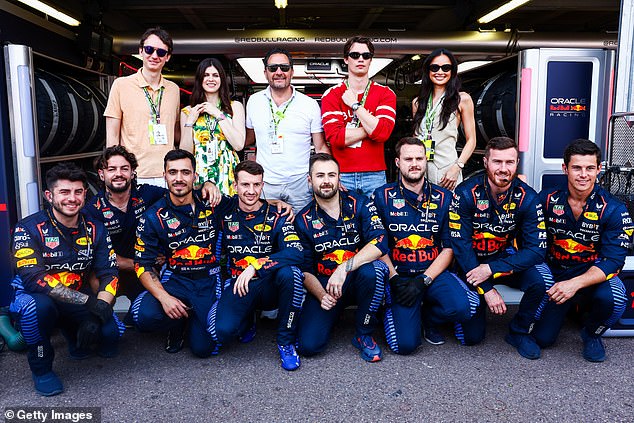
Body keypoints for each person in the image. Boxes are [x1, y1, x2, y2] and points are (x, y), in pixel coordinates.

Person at [9, 163, 120, 396]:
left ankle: (72, 333)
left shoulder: (96, 228)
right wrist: (91, 304)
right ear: (49, 196)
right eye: (64, 192)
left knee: (110, 333)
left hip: (77, 298)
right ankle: (41, 367)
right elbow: (34, 278)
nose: (72, 198)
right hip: (37, 300)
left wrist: (99, 309)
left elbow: (109, 273)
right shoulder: (27, 228)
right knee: (35, 309)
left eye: (78, 192)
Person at [374, 137, 480, 354]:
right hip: (399, 277)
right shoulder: (381, 196)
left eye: (419, 158)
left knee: (466, 307)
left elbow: (449, 247)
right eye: (408, 158)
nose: (414, 163)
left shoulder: (445, 197)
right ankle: (394, 310)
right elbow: (377, 244)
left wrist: (424, 281)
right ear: (397, 162)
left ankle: (429, 319)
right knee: (404, 346)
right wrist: (393, 279)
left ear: (426, 160)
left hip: (433, 274)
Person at [450, 137, 551, 359]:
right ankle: (470, 306)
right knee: (472, 338)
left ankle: (519, 331)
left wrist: (491, 268)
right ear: (485, 162)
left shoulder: (528, 197)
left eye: (509, 162)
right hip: (470, 266)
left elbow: (536, 250)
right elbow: (461, 247)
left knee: (542, 281)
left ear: (517, 164)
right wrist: (486, 288)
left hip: (503, 261)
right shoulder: (465, 193)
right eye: (497, 162)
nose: (503, 169)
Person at [532, 139, 632, 362]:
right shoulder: (546, 199)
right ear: (565, 169)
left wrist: (574, 284)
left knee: (615, 297)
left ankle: (591, 333)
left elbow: (613, 261)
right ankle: (570, 309)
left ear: (598, 169)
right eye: (576, 168)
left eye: (589, 168)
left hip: (591, 276)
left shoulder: (614, 208)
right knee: (542, 339)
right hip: (555, 276)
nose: (583, 174)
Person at [207, 161, 305, 371]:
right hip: (237, 285)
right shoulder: (224, 208)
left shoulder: (278, 213)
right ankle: (247, 318)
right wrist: (207, 183)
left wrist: (256, 266)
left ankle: (285, 341)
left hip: (268, 284)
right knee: (221, 333)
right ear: (235, 186)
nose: (251, 191)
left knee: (292, 274)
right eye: (245, 185)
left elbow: (296, 251)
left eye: (256, 185)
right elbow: (197, 193)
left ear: (262, 186)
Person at [132, 149, 227, 357]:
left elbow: (248, 206)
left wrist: (275, 204)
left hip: (208, 280)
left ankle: (191, 318)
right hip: (175, 278)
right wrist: (165, 298)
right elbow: (142, 264)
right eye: (172, 172)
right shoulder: (152, 216)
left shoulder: (212, 202)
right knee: (142, 315)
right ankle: (176, 323)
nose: (179, 178)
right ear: (164, 175)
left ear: (195, 176)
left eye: (185, 172)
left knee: (203, 349)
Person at [295, 153, 389, 362]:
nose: (326, 181)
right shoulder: (302, 219)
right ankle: (332, 314)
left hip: (358, 280)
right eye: (320, 175)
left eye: (331, 175)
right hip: (326, 286)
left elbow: (380, 241)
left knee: (375, 270)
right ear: (310, 181)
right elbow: (305, 269)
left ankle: (364, 333)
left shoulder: (360, 203)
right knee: (309, 346)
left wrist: (343, 268)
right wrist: (321, 295)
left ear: (339, 178)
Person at [83, 146, 165, 324]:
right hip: (115, 270)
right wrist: (141, 264)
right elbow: (101, 256)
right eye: (111, 169)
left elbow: (181, 196)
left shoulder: (147, 194)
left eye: (124, 168)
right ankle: (106, 322)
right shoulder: (92, 210)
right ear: (101, 174)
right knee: (96, 279)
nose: (118, 174)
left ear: (133, 173)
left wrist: (207, 186)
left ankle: (136, 315)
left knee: (148, 319)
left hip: (147, 270)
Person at [245, 47, 329, 212]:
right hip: (265, 184)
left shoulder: (309, 104)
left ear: (292, 71)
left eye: (284, 68)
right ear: (265, 72)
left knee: (302, 232)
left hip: (300, 185)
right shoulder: (253, 102)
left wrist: (332, 174)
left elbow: (320, 147)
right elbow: (247, 140)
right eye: (272, 68)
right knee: (266, 232)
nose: (278, 72)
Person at [321, 35, 397, 197]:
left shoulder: (385, 93)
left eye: (366, 56)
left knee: (375, 222)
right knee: (342, 222)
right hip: (342, 175)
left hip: (375, 175)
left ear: (371, 60)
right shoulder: (331, 94)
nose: (360, 59)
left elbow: (384, 134)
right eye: (355, 55)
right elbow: (336, 138)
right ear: (346, 59)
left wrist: (355, 106)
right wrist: (371, 128)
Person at [104, 27, 180, 187]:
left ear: (168, 57)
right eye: (149, 49)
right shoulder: (121, 85)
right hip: (134, 174)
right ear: (140, 51)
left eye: (161, 52)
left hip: (167, 174)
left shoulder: (174, 89)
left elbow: (176, 131)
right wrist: (113, 174)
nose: (154, 56)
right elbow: (112, 136)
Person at [412, 48, 476, 191]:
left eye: (446, 68)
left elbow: (471, 140)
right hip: (421, 170)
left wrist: (457, 167)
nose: (440, 72)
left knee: (448, 211)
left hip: (447, 171)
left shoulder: (462, 99)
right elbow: (415, 138)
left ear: (452, 71)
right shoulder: (418, 102)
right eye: (434, 67)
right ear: (428, 71)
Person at [180, 58, 246, 195]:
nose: (211, 79)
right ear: (199, 79)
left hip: (227, 174)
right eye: (206, 75)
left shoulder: (235, 107)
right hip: (199, 176)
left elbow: (239, 144)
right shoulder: (188, 111)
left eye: (215, 75)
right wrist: (189, 122)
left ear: (221, 79)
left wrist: (218, 114)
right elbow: (185, 153)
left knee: (228, 215)